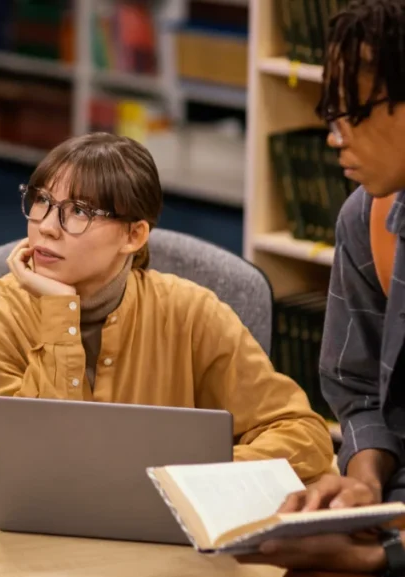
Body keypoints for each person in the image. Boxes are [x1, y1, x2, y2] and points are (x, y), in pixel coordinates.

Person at [0, 132, 335, 485]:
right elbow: (44, 461)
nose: (48, 227)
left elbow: (302, 435)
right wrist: (58, 312)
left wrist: (190, 478)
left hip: (166, 530)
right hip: (36, 535)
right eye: (42, 202)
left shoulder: (190, 311)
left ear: (134, 235)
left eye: (80, 211)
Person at [235, 1, 405, 575]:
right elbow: (358, 389)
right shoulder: (368, 217)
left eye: (349, 111)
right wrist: (361, 483)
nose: (334, 137)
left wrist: (382, 557)